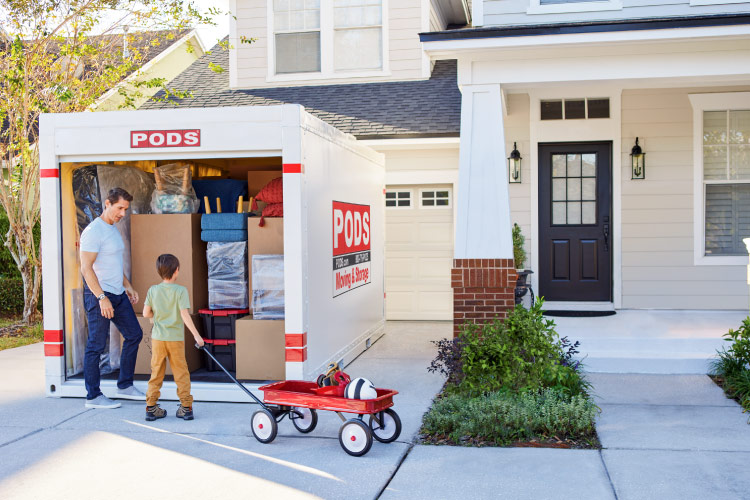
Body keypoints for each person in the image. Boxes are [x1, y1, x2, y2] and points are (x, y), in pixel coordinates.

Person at [80, 187, 145, 408]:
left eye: (125, 209)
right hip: (99, 294)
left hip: (118, 293)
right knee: (96, 345)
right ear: (107, 203)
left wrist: (128, 286)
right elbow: (86, 268)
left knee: (134, 334)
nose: (123, 214)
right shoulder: (93, 231)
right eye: (120, 208)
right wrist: (101, 297)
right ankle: (93, 396)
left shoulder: (112, 229)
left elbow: (114, 265)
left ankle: (125, 385)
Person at [142, 254, 205, 421]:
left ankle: (151, 407)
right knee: (181, 373)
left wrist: (155, 317)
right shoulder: (180, 291)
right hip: (175, 339)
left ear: (159, 271)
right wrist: (197, 336)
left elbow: (146, 313)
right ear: (176, 271)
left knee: (156, 372)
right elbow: (184, 315)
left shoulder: (153, 290)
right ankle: (186, 407)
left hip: (158, 339)